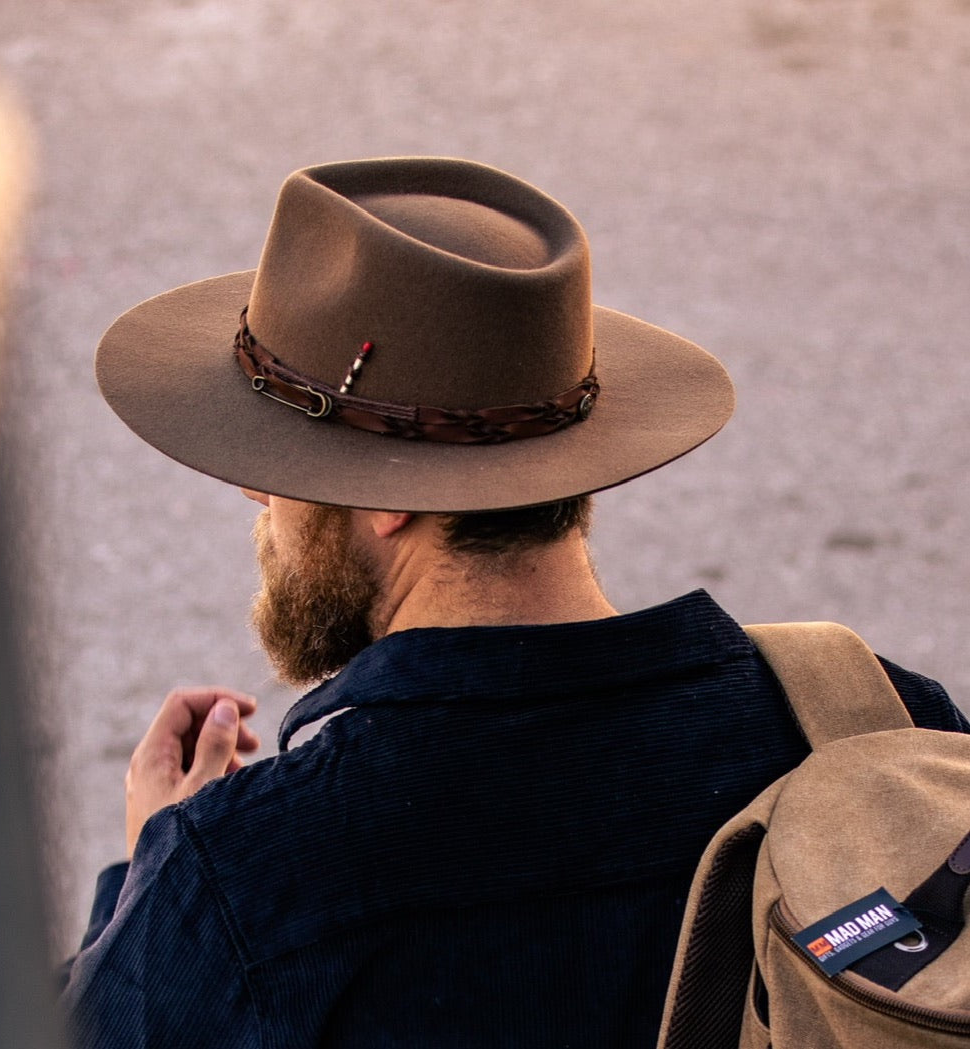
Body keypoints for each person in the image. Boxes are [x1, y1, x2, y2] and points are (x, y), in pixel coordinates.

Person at [60, 157, 967, 1048]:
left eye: (279, 468)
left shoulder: (245, 882)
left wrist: (147, 878)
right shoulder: (880, 731)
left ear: (385, 495)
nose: (258, 499)